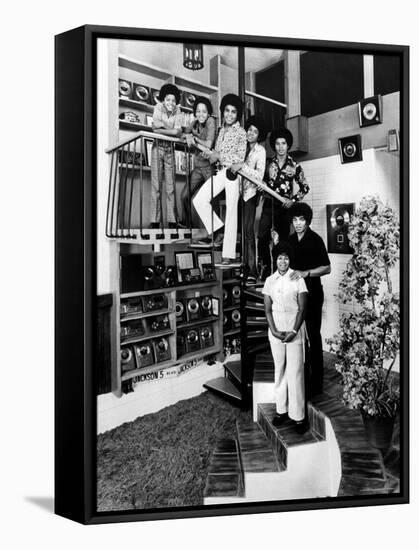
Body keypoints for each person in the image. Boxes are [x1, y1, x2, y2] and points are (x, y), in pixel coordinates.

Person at [193, 93, 247, 265]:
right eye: (227, 111)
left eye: (233, 112)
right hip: (219, 172)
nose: (230, 114)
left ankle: (228, 255)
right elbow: (214, 155)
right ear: (223, 112)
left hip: (233, 174)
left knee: (231, 212)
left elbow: (240, 158)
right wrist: (208, 155)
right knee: (199, 200)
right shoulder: (220, 130)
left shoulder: (241, 132)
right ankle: (219, 229)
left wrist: (219, 155)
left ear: (237, 115)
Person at [262, 242, 308, 434]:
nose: (283, 261)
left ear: (290, 260)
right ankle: (281, 410)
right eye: (280, 257)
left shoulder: (297, 278)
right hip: (277, 334)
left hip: (294, 332)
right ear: (275, 259)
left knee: (295, 372)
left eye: (286, 258)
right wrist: (273, 330)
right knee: (279, 370)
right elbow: (267, 309)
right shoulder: (269, 280)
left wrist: (294, 331)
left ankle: (298, 417)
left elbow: (303, 308)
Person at [286, 202, 331, 397]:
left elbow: (327, 267)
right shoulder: (290, 240)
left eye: (301, 220)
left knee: (313, 336)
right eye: (295, 220)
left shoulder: (315, 239)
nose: (297, 223)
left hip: (313, 294)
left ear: (307, 220)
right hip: (295, 296)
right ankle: (300, 379)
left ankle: (316, 385)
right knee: (297, 337)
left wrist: (306, 273)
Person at [258, 128, 309, 279]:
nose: (280, 147)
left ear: (288, 145)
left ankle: (283, 273)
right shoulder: (268, 163)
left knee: (283, 242)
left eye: (283, 143)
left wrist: (292, 200)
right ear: (274, 146)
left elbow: (305, 187)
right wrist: (261, 186)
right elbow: (262, 183)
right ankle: (267, 269)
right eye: (277, 144)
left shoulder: (294, 165)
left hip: (284, 208)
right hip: (269, 204)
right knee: (262, 237)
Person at [230, 115, 267, 283]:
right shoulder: (240, 145)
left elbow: (259, 176)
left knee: (248, 233)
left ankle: (251, 269)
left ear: (259, 135)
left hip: (249, 195)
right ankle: (242, 267)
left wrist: (242, 166)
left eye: (255, 131)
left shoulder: (261, 151)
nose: (251, 133)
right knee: (238, 232)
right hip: (235, 192)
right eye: (250, 129)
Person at [150, 83, 183, 229]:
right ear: (163, 100)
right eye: (168, 100)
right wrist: (167, 131)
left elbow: (178, 132)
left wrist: (160, 130)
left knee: (170, 187)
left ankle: (171, 221)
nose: (171, 103)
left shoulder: (179, 111)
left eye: (174, 100)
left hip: (170, 149)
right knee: (156, 186)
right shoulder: (158, 107)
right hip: (157, 148)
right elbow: (153, 127)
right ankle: (155, 221)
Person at [181, 96, 216, 227]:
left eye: (204, 111)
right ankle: (187, 225)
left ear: (209, 113)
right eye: (198, 111)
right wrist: (189, 133)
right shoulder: (196, 122)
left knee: (212, 200)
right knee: (184, 196)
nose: (201, 114)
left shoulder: (211, 121)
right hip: (197, 167)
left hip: (208, 167)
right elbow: (184, 133)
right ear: (195, 112)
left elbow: (208, 144)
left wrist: (194, 138)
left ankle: (216, 233)